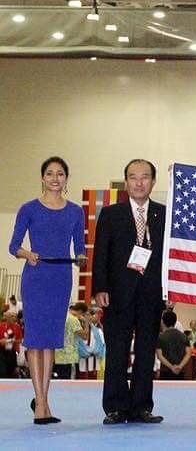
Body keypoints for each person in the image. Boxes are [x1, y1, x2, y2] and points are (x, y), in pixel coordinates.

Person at [8, 156, 86, 424]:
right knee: (35, 339)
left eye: (60, 174)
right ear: (42, 177)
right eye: (50, 173)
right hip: (36, 276)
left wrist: (81, 257)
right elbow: (13, 246)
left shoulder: (75, 211)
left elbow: (80, 245)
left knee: (50, 340)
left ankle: (43, 399)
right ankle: (40, 402)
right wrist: (28, 254)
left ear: (66, 178)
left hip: (60, 278)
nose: (55, 178)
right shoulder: (28, 209)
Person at [92, 159, 166, 424]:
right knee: (117, 350)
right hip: (117, 293)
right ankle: (115, 407)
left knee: (146, 351)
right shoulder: (111, 214)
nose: (139, 182)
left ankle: (141, 407)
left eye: (145, 177)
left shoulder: (164, 215)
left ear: (153, 182)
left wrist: (170, 290)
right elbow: (100, 253)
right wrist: (99, 287)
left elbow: (171, 257)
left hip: (152, 293)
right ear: (126, 183)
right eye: (133, 177)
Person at [156, 311, 191, 380]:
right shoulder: (184, 336)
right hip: (180, 372)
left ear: (163, 322)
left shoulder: (160, 337)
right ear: (175, 322)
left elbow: (159, 355)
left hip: (165, 371)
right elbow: (188, 353)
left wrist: (172, 367)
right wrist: (180, 366)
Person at [78, 306, 105, 380]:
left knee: (93, 378)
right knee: (82, 376)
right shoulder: (78, 329)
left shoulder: (98, 330)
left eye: (88, 315)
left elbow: (102, 344)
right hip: (82, 357)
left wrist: (96, 352)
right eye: (85, 315)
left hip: (94, 357)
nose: (87, 317)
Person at [0, 311, 23, 378]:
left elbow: (20, 339)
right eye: (11, 316)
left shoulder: (17, 327)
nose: (13, 318)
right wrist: (2, 341)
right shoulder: (1, 326)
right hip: (2, 351)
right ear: (6, 317)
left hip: (13, 351)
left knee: (12, 371)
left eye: (14, 316)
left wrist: (12, 341)